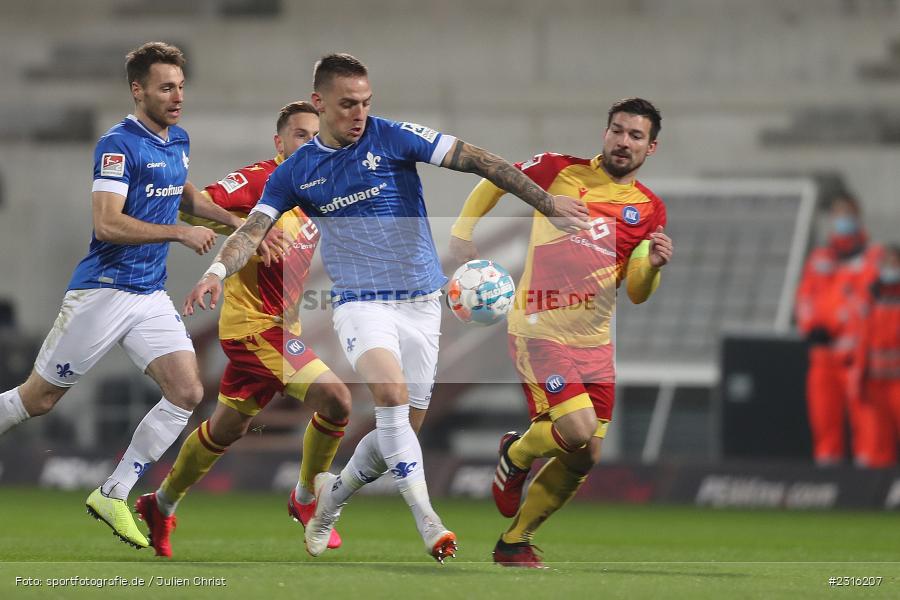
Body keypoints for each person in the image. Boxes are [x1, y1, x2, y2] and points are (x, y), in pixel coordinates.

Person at [182, 53, 591, 563]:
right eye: (348, 103)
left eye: (366, 102)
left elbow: (482, 160)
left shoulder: (394, 136)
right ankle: (429, 521)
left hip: (422, 305)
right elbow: (251, 232)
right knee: (390, 397)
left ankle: (330, 500)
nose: (359, 113)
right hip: (360, 305)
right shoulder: (296, 173)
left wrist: (546, 203)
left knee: (399, 432)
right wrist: (216, 273)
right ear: (320, 103)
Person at [0, 42, 246, 549]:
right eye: (165, 87)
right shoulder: (118, 145)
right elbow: (107, 223)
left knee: (186, 391)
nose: (177, 96)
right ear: (138, 90)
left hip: (148, 295)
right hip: (102, 292)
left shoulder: (177, 139)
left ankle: (114, 492)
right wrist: (179, 234)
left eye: (180, 86)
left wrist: (239, 223)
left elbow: (185, 193)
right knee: (39, 399)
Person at [450, 98, 673, 568]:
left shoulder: (649, 210)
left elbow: (636, 292)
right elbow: (496, 177)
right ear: (605, 132)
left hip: (595, 342)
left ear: (650, 148)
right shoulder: (557, 169)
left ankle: (514, 543)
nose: (623, 141)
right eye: (617, 130)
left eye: (635, 136)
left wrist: (650, 268)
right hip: (539, 328)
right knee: (576, 429)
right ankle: (516, 452)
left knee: (585, 455)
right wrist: (462, 232)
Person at [133, 101, 353, 557]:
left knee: (225, 429)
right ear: (279, 142)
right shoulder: (259, 181)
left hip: (279, 328)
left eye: (316, 136)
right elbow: (191, 204)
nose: (309, 144)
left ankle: (162, 502)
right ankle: (307, 499)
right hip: (254, 329)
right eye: (299, 135)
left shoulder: (318, 188)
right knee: (337, 400)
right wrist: (241, 228)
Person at [795, 195, 882, 466]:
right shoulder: (820, 258)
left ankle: (869, 481)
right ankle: (826, 480)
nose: (842, 220)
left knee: (867, 421)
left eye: (847, 213)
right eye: (837, 214)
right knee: (824, 421)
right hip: (823, 354)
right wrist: (811, 326)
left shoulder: (873, 258)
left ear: (857, 216)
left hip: (857, 354)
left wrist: (846, 326)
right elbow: (805, 298)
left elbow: (868, 302)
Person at [851, 244, 900, 467]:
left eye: (893, 262)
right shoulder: (871, 293)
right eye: (885, 262)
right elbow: (863, 337)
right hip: (875, 380)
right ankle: (880, 492)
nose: (889, 266)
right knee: (877, 439)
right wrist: (859, 373)